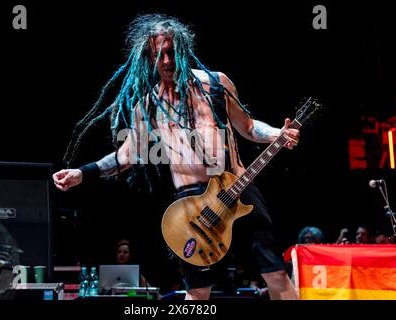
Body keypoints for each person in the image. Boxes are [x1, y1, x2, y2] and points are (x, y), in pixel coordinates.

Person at [53, 13, 299, 300]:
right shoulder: (148, 106)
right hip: (192, 206)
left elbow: (247, 126)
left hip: (237, 187)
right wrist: (83, 173)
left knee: (276, 275)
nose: (167, 61)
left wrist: (274, 134)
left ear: (183, 50)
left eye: (172, 52)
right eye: (159, 56)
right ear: (149, 59)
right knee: (197, 291)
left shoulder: (215, 84)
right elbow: (126, 155)